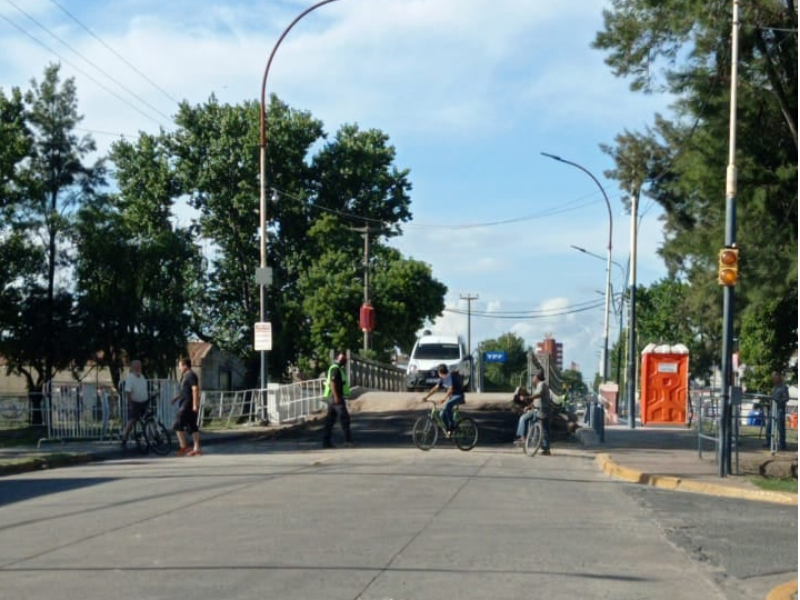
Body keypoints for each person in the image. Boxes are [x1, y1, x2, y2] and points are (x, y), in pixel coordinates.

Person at [514, 370, 551, 455]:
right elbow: (536, 401)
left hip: (543, 411)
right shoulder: (537, 386)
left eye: (533, 376)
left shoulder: (542, 384)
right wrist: (528, 406)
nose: (532, 378)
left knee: (544, 430)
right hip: (536, 409)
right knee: (523, 418)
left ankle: (546, 449)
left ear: (537, 377)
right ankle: (522, 438)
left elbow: (538, 394)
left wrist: (528, 398)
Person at [422, 363, 465, 436]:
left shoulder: (450, 377)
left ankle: (452, 427)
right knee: (441, 415)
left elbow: (450, 389)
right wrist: (426, 397)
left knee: (448, 405)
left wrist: (444, 399)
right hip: (452, 397)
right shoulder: (442, 379)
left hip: (459, 396)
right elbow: (435, 389)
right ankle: (449, 430)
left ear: (440, 372)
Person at [322, 351, 353, 449]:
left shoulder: (337, 368)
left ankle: (326, 442)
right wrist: (336, 397)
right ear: (338, 359)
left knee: (330, 420)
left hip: (332, 397)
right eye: (343, 359)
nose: (344, 360)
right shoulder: (335, 368)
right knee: (345, 418)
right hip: (335, 397)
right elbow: (333, 383)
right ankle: (348, 441)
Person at [171, 358, 201, 456]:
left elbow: (195, 389)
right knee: (192, 425)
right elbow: (185, 390)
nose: (179, 368)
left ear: (185, 366)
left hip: (188, 404)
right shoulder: (185, 376)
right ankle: (196, 449)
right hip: (186, 402)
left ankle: (183, 446)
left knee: (177, 423)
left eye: (179, 366)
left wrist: (195, 405)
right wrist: (176, 398)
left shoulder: (190, 375)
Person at [120, 359, 149, 447]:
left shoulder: (142, 376)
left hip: (144, 402)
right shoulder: (130, 378)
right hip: (135, 402)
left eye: (139, 366)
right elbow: (128, 392)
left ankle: (156, 436)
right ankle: (125, 438)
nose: (138, 368)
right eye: (136, 366)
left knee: (149, 419)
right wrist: (130, 404)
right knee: (132, 421)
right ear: (132, 368)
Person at [765, 370, 789, 451]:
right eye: (772, 377)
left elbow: (786, 398)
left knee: (780, 428)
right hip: (772, 410)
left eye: (774, 377)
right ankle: (768, 442)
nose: (773, 379)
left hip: (779, 410)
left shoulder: (783, 387)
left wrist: (778, 401)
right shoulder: (774, 387)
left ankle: (782, 445)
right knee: (768, 427)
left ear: (778, 377)